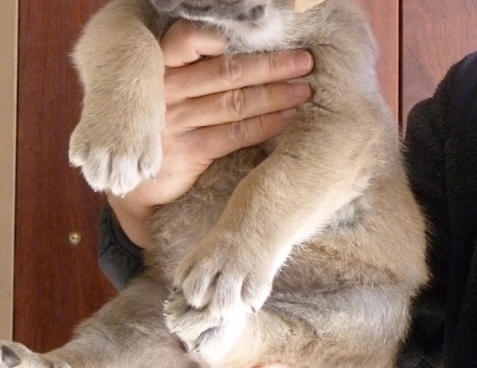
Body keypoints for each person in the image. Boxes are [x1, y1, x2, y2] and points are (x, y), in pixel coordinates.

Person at [98, 19, 477, 368]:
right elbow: (412, 328)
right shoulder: (464, 106)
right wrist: (136, 206)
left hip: (267, 304)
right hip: (228, 281)